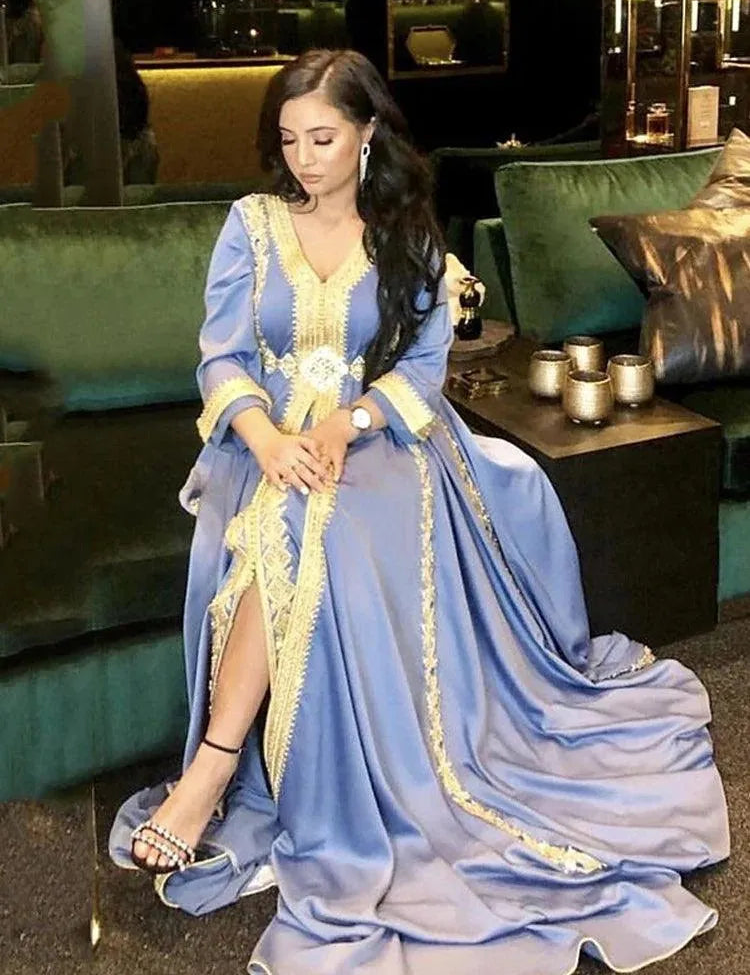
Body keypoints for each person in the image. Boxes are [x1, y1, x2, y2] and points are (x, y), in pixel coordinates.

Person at [109, 49, 730, 975]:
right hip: (260, 442)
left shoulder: (406, 235)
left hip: (381, 443)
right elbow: (221, 357)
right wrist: (268, 439)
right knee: (282, 513)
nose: (304, 158)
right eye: (289, 140)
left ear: (367, 134)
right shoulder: (252, 225)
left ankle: (212, 768)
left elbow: (423, 368)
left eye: (323, 138)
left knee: (320, 522)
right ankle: (215, 767)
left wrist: (347, 423)